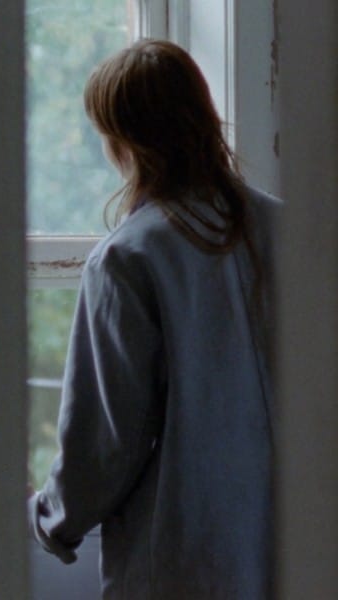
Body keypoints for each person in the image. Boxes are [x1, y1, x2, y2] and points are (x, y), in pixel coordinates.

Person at [27, 39, 279, 599]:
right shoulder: (291, 233)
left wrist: (49, 518)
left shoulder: (129, 257)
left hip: (186, 562)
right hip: (297, 550)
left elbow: (106, 439)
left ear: (124, 140)